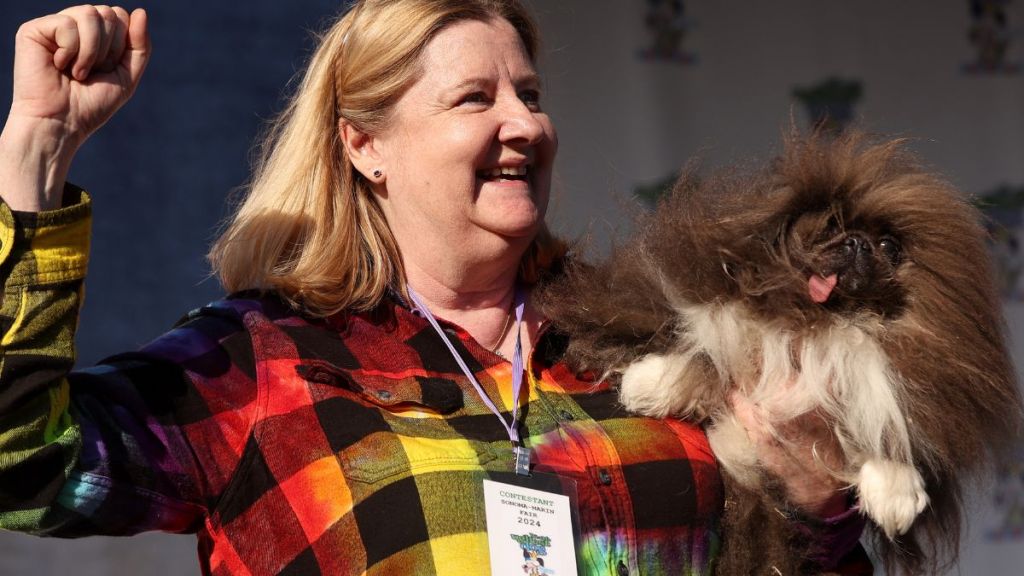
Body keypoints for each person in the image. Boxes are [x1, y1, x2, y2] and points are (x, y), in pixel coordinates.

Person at [0, 1, 871, 574]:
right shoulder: (267, 362)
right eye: (474, 99)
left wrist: (816, 504)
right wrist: (35, 151)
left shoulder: (651, 349)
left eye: (529, 92)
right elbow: (23, 470)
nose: (525, 123)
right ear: (363, 145)